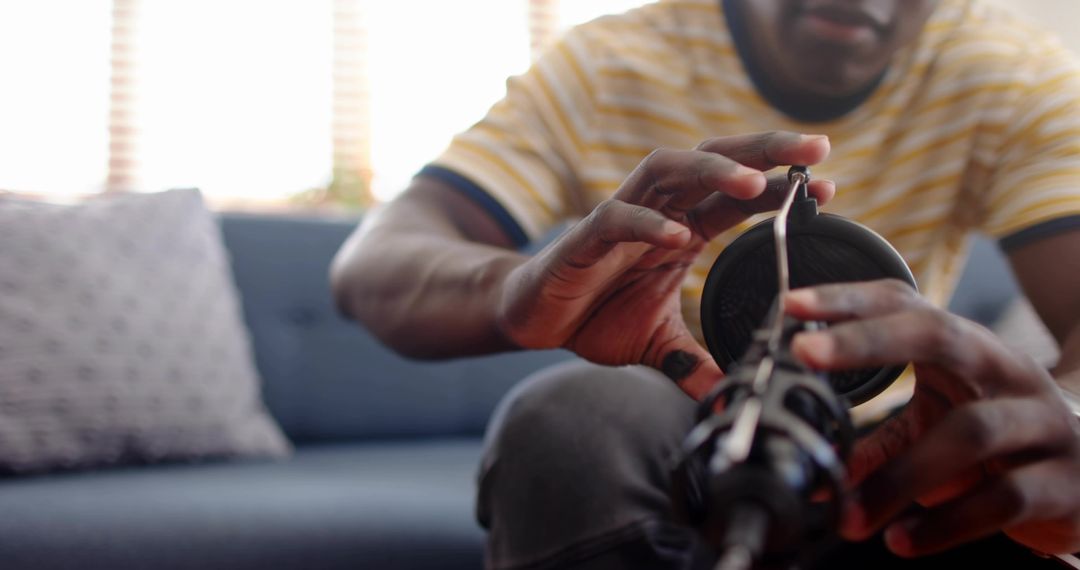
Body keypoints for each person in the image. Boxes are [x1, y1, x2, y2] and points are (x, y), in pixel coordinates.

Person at [331, 0, 1080, 567]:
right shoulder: (608, 64)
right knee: (575, 419)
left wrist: (1067, 425)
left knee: (1009, 465)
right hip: (665, 421)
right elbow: (373, 263)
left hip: (901, 445)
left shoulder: (1008, 72)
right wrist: (517, 290)